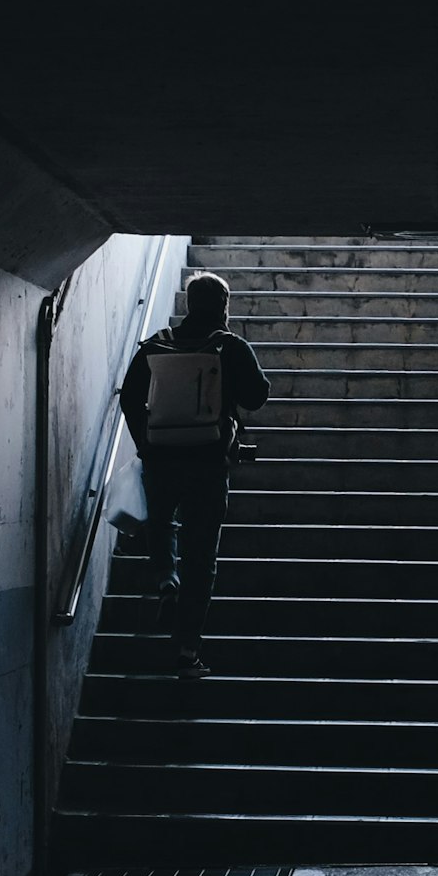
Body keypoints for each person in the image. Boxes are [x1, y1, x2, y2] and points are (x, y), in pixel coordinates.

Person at [116, 270, 271, 679]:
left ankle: (166, 579)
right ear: (223, 307)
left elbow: (129, 397)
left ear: (187, 304)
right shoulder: (229, 346)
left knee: (161, 524)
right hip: (208, 462)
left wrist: (145, 445)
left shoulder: (155, 345)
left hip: (161, 458)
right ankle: (187, 651)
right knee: (202, 557)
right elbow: (256, 397)